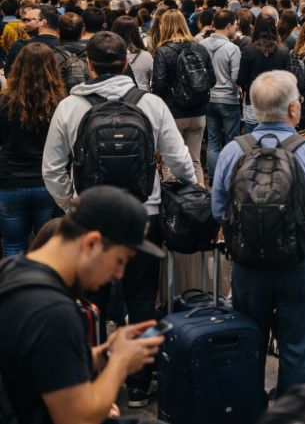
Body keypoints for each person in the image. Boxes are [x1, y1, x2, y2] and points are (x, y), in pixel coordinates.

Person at [42, 31, 197, 407]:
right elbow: (178, 160)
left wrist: (72, 206)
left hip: (89, 222)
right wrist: (189, 186)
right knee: (141, 300)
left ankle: (91, 379)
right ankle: (141, 385)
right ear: (126, 63)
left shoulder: (70, 107)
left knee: (88, 303)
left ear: (89, 66)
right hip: (145, 215)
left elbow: (52, 169)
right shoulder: (151, 103)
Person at [211, 70, 305, 395]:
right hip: (301, 261)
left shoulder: (234, 151)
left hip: (247, 265)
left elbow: (219, 209)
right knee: (297, 351)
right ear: (292, 109)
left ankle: (250, 410)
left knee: (249, 345)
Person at [0, 186, 168, 424]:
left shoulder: (13, 269)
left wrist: (106, 354)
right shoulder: (53, 311)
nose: (119, 274)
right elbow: (78, 419)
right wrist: (119, 363)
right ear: (91, 244)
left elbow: (45, 361)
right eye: (119, 260)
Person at [0, 43, 63, 257]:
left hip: (10, 180)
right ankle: (46, 288)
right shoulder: (60, 103)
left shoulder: (5, 101)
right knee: (48, 247)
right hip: (47, 182)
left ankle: (16, 288)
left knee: (13, 245)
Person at [152, 9, 215, 186]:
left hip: (172, 115)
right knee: (195, 161)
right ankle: (200, 201)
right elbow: (212, 79)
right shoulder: (199, 48)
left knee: (170, 162)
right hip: (198, 113)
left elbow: (159, 85)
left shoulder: (162, 51)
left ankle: (176, 208)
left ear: (164, 26)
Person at [201, 9, 242, 184]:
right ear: (228, 26)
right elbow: (235, 79)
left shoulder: (201, 45)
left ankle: (213, 178)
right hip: (228, 99)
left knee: (213, 141)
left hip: (208, 99)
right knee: (232, 141)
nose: (236, 29)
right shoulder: (233, 48)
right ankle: (230, 178)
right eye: (235, 25)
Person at [238, 13, 290, 133]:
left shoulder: (248, 50)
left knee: (252, 142)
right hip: (277, 101)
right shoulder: (283, 51)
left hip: (254, 101)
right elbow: (288, 78)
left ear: (256, 28)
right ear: (274, 28)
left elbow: (241, 79)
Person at [6, 4, 60, 71]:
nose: (24, 24)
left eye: (28, 20)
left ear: (43, 22)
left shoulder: (20, 46)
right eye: (24, 20)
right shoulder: (67, 46)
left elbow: (9, 73)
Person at [110, 15, 153, 91]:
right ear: (136, 31)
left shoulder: (108, 56)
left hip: (116, 97)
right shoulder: (146, 56)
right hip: (142, 97)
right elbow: (154, 81)